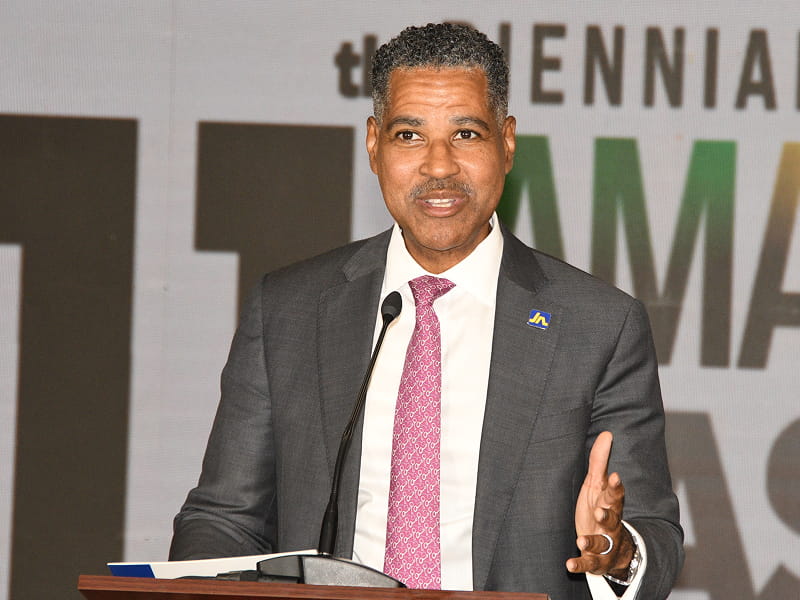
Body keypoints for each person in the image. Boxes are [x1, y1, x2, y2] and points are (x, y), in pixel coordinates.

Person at [170, 23, 683, 600]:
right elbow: (224, 517)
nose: (439, 166)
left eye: (465, 133)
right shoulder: (290, 309)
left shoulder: (598, 325)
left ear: (507, 144)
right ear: (373, 145)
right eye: (410, 135)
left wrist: (613, 551)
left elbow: (653, 538)